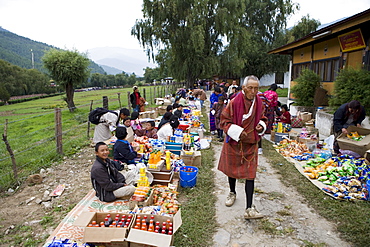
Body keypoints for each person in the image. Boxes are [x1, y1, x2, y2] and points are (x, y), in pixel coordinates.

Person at [218, 75, 267, 219]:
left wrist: (261, 126)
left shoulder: (260, 103)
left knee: (250, 175)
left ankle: (249, 208)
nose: (253, 91)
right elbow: (224, 121)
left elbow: (263, 118)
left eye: (256, 88)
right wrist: (238, 132)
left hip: (251, 144)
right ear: (244, 88)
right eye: (250, 88)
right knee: (231, 171)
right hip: (235, 142)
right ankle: (232, 192)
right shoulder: (233, 103)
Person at [257, 91, 270, 155]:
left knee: (258, 132)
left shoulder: (260, 95)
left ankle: (259, 148)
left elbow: (266, 105)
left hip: (259, 115)